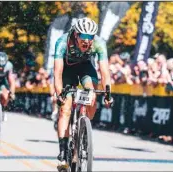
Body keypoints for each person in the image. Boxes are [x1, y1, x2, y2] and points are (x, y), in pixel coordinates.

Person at [53, 17, 114, 170]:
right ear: (76, 35)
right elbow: (57, 72)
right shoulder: (62, 42)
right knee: (65, 109)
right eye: (84, 37)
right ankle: (62, 154)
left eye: (91, 37)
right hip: (67, 71)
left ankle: (83, 126)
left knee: (92, 94)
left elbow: (105, 72)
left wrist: (108, 93)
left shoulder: (99, 43)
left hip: (86, 68)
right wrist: (59, 93)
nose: (87, 41)